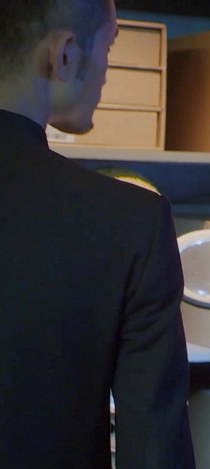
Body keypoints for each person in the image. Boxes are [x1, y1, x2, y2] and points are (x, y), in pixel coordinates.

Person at [0, 1, 195, 467]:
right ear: (64, 54)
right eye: (108, 47)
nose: (107, 70)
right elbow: (154, 447)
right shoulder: (131, 220)